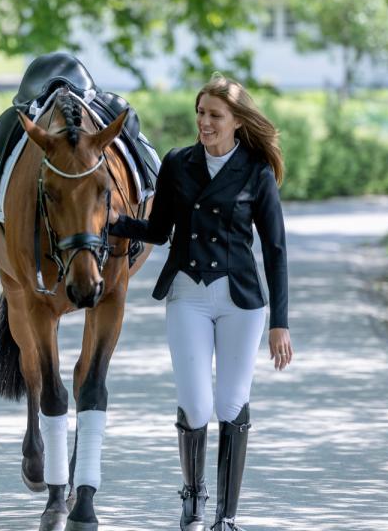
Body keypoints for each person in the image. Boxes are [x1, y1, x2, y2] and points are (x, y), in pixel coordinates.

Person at [108, 73, 292, 531]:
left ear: (236, 121)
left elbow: (275, 249)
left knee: (231, 404)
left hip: (241, 301)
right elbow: (158, 230)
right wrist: (111, 221)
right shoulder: (177, 163)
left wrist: (280, 323)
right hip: (187, 293)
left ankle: (225, 517)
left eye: (215, 115)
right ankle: (193, 500)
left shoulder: (256, 170)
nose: (204, 122)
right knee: (194, 404)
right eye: (200, 113)